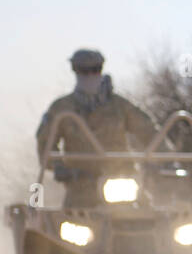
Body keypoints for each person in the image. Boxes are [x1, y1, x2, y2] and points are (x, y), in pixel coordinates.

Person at [35, 48, 162, 206]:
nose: (89, 75)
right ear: (75, 71)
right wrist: (59, 167)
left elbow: (149, 132)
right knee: (71, 224)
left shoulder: (119, 106)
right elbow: (45, 143)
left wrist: (168, 160)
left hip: (125, 181)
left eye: (95, 70)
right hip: (80, 188)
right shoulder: (61, 108)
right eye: (84, 71)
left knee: (153, 218)